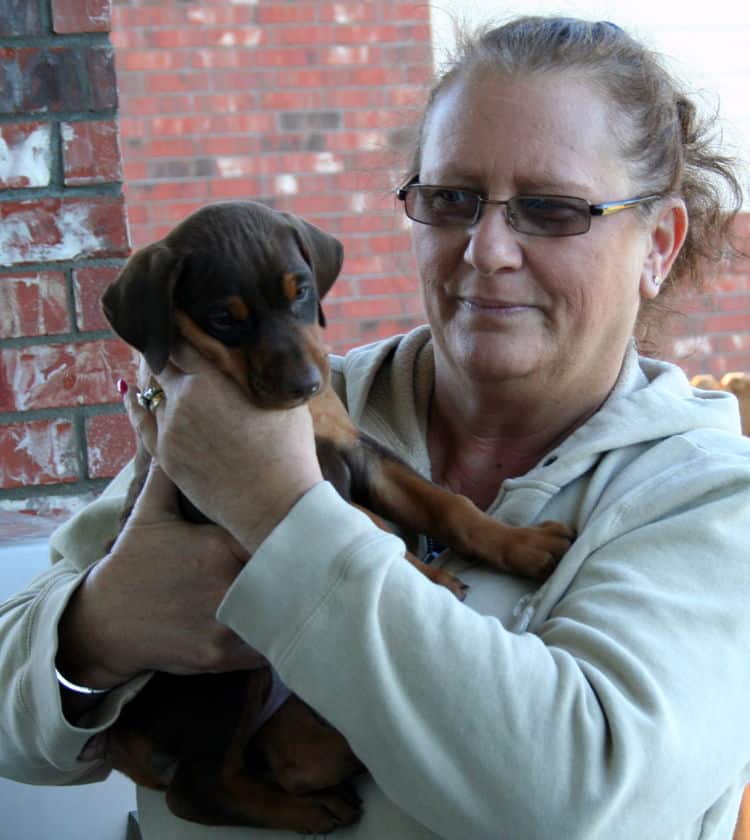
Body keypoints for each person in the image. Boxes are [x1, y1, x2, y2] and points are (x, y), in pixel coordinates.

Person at [2, 15, 750, 839]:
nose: (488, 250)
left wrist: (280, 513)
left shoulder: (711, 500)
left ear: (659, 245)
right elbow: (14, 710)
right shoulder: (281, 402)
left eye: (552, 209)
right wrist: (100, 629)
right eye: (451, 199)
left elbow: (581, 804)